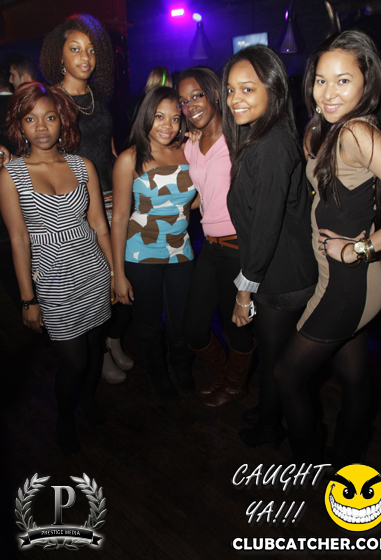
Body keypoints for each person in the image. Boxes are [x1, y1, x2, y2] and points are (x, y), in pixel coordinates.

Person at [273, 29, 381, 466]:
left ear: (368, 82)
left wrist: (360, 249)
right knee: (353, 374)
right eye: (321, 80)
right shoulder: (332, 125)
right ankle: (349, 456)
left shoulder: (357, 132)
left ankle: (310, 465)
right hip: (348, 279)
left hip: (351, 282)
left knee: (287, 375)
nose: (327, 93)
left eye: (343, 80)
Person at [0, 82, 114, 456]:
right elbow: (19, 239)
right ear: (19, 125)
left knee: (94, 349)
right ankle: (65, 418)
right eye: (30, 119)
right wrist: (27, 300)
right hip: (52, 279)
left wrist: (114, 274)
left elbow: (99, 224)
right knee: (73, 359)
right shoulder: (11, 175)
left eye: (49, 117)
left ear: (62, 120)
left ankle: (89, 400)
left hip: (93, 271)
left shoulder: (83, 166)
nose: (42, 126)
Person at [222, 45, 317, 447]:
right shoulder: (258, 137)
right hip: (279, 271)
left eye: (247, 89)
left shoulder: (271, 145)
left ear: (273, 90)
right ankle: (267, 412)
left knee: (278, 362)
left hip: (282, 277)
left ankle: (270, 427)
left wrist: (244, 292)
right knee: (274, 357)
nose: (235, 99)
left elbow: (264, 228)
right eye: (230, 90)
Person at [40, 12, 133, 384]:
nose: (85, 57)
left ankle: (113, 339)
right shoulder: (50, 99)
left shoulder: (99, 94)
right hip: (80, 203)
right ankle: (100, 349)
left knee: (122, 272)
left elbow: (108, 146)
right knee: (96, 278)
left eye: (91, 50)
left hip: (113, 194)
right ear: (59, 55)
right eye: (75, 49)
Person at [111, 86, 196, 401]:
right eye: (159, 116)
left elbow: (193, 201)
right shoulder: (130, 158)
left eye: (175, 118)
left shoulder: (188, 151)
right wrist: (118, 274)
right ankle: (158, 374)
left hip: (181, 249)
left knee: (181, 322)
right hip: (141, 251)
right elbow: (120, 218)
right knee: (148, 325)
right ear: (146, 116)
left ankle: (181, 365)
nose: (167, 125)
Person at [176, 67, 254, 407]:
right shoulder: (191, 145)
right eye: (183, 100)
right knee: (193, 327)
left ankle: (235, 385)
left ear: (216, 94)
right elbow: (202, 192)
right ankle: (223, 375)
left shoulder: (238, 137)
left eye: (197, 95)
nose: (190, 105)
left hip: (238, 246)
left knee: (236, 326)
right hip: (209, 246)